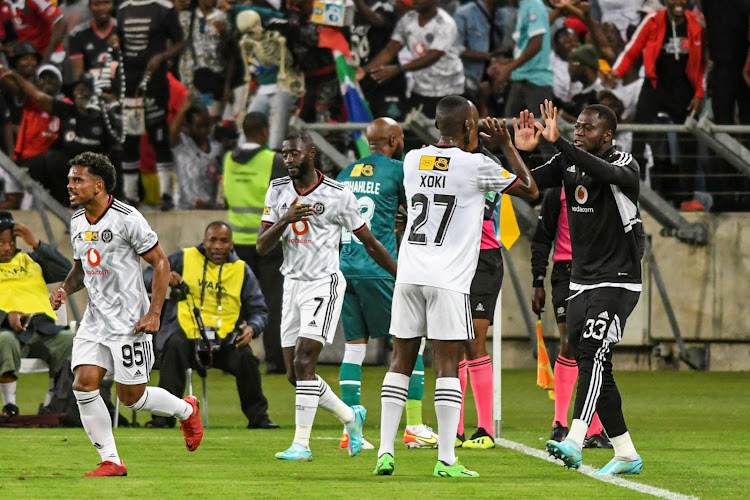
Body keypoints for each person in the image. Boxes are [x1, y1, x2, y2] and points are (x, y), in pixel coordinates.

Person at [373, 95, 538, 478]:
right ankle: (446, 459)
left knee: (400, 361)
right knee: (447, 364)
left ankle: (384, 452)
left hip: (409, 274)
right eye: (476, 121)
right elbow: (530, 190)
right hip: (447, 281)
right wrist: (507, 146)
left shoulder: (413, 159)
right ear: (468, 126)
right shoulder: (477, 165)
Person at [48, 152, 203, 477]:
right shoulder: (77, 220)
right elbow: (81, 269)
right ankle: (111, 460)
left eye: (78, 180)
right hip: (95, 319)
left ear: (99, 185)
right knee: (83, 384)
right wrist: (64, 289)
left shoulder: (126, 217)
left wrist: (154, 312)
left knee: (131, 397)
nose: (70, 185)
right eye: (70, 179)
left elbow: (161, 262)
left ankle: (185, 409)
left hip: (128, 323)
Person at [517, 100, 644, 475]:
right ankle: (625, 453)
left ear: (607, 136)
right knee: (595, 364)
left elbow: (601, 171)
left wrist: (558, 144)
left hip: (618, 280)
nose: (579, 131)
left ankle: (575, 437)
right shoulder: (568, 161)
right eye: (578, 127)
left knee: (590, 350)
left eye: (587, 128)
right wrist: (514, 150)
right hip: (579, 281)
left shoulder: (625, 164)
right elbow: (525, 186)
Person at [256, 131, 398, 461]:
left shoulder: (337, 195)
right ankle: (351, 418)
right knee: (295, 374)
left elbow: (370, 241)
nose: (288, 159)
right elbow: (262, 246)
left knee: (306, 360)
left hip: (324, 284)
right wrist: (286, 219)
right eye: (284, 154)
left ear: (311, 153)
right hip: (291, 285)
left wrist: (399, 274)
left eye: (294, 153)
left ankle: (301, 445)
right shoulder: (278, 191)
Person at [336, 117, 438, 451]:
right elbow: (420, 209)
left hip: (343, 266)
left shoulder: (345, 173)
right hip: (379, 267)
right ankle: (415, 426)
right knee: (411, 342)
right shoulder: (397, 170)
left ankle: (350, 427)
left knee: (354, 346)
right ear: (393, 139)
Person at [143, 222, 278, 430]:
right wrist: (164, 278)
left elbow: (259, 310)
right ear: (204, 242)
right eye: (212, 240)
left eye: (223, 241)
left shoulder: (242, 270)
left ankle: (259, 418)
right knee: (174, 346)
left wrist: (252, 327)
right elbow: (148, 275)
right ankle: (162, 418)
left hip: (225, 339)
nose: (217, 246)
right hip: (188, 336)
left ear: (231, 244)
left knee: (247, 359)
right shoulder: (184, 258)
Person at [530, 187, 611, 449]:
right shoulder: (557, 191)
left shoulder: (608, 184)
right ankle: (560, 424)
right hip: (567, 272)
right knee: (571, 344)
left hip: (600, 272)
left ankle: (594, 429)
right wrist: (538, 280)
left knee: (595, 347)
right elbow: (543, 238)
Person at [610, 0, 705, 209]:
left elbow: (703, 64)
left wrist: (699, 93)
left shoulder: (697, 24)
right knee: (639, 137)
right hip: (655, 85)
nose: (678, 2)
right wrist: (616, 73)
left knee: (689, 140)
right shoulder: (652, 21)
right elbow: (632, 50)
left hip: (684, 90)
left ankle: (687, 198)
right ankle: (631, 192)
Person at [455, 102, 506, 450]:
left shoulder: (488, 163)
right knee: (452, 344)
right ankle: (455, 429)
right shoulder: (447, 160)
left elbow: (481, 208)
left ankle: (485, 429)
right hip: (454, 259)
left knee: (473, 341)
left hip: (483, 258)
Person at [222, 112, 287, 375]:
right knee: (272, 302)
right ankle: (275, 360)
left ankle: (230, 359)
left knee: (235, 302)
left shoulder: (228, 159)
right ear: (264, 132)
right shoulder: (274, 160)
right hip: (269, 240)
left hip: (237, 242)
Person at [0, 212, 73, 416]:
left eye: (11, 242)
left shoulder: (31, 261)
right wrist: (6, 316)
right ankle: (10, 405)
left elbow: (67, 270)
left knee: (69, 340)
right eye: (0, 243)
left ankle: (52, 404)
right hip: (8, 332)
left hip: (42, 328)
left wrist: (36, 243)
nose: (7, 247)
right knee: (4, 340)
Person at [116, 0, 185, 209]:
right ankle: (130, 195)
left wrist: (162, 57)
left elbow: (181, 41)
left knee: (159, 135)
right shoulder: (123, 9)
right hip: (129, 82)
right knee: (130, 138)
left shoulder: (164, 8)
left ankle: (166, 194)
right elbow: (119, 44)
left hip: (155, 82)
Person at [361, 0, 464, 119]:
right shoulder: (407, 19)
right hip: (419, 90)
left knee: (447, 134)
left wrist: (398, 69)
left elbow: (432, 56)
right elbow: (390, 51)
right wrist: (364, 70)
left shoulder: (446, 23)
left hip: (448, 91)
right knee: (419, 135)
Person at [487, 0, 553, 118]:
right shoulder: (523, 6)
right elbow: (527, 47)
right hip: (522, 77)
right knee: (511, 127)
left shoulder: (533, 4)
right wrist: (508, 63)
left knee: (537, 130)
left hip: (536, 81)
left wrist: (508, 69)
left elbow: (536, 44)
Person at [169, 98, 222, 210]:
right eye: (199, 126)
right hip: (184, 208)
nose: (204, 130)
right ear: (188, 126)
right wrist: (183, 109)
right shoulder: (182, 144)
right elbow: (172, 135)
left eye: (206, 126)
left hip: (209, 209)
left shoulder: (216, 147)